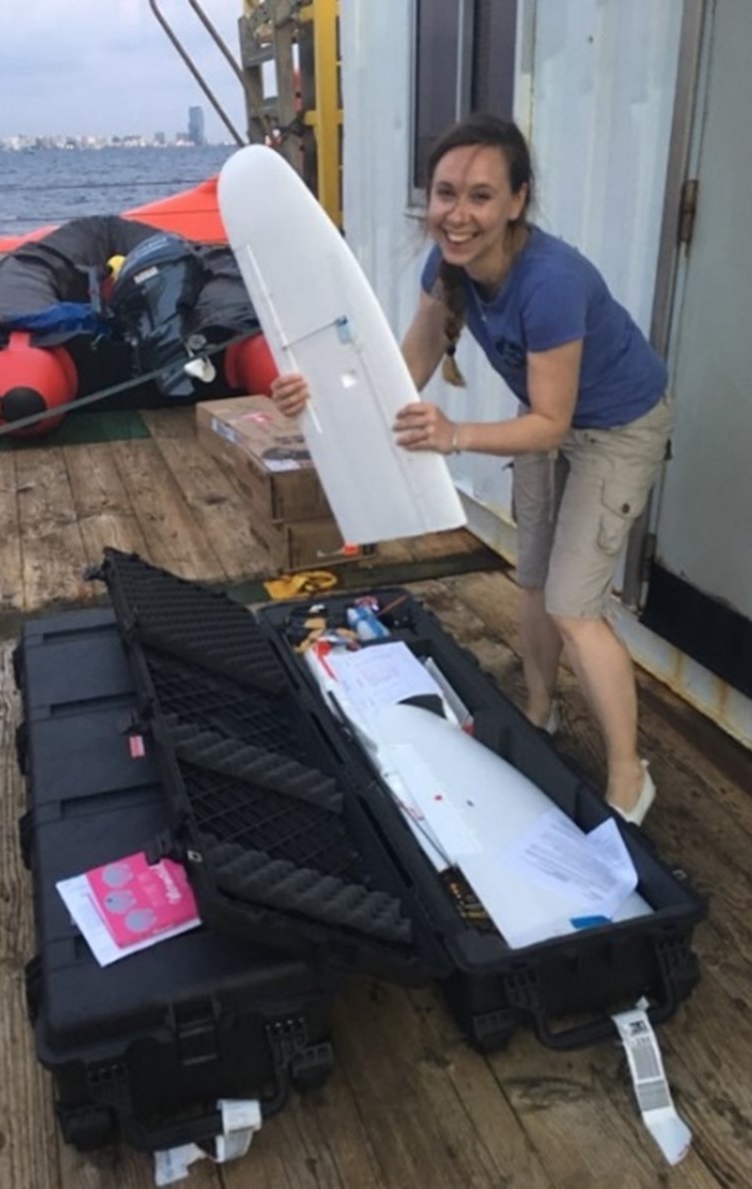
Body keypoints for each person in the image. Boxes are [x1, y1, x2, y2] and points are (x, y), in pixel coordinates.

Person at [270, 113, 673, 826]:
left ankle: (627, 773)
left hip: (616, 427)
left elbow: (549, 421)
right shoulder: (446, 267)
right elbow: (403, 376)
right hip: (550, 422)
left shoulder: (550, 282)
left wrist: (454, 436)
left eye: (481, 196)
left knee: (575, 607)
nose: (458, 215)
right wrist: (310, 397)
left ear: (518, 201)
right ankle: (539, 712)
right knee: (534, 579)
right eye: (445, 193)